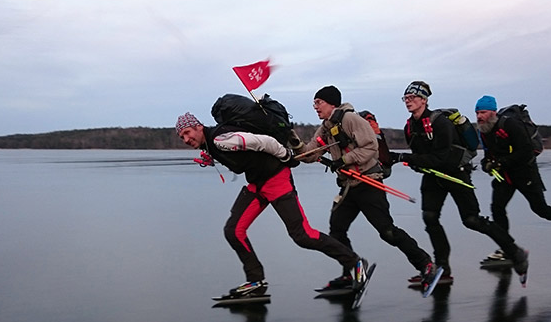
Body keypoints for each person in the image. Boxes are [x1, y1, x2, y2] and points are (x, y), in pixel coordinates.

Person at [175, 111, 369, 297]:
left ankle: (355, 264)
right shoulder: (212, 144)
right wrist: (213, 158)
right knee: (234, 231)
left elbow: (263, 142)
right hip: (257, 184)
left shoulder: (220, 139)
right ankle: (256, 282)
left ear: (199, 126)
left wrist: (286, 155)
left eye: (187, 133)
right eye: (181, 137)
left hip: (276, 179)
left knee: (302, 235)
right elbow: (241, 158)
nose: (185, 139)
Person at [390, 81, 530, 284]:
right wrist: (412, 162)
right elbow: (421, 156)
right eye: (406, 98)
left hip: (456, 175)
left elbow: (441, 158)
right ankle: (443, 269)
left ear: (424, 100)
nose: (408, 102)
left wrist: (404, 158)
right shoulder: (410, 126)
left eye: (413, 98)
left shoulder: (440, 123)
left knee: (471, 220)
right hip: (433, 176)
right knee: (430, 218)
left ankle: (515, 252)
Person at [300, 85, 436, 290]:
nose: (315, 107)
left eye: (318, 102)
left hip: (368, 184)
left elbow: (371, 146)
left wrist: (344, 159)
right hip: (348, 186)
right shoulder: (326, 127)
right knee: (337, 230)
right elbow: (310, 153)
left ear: (332, 103)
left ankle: (425, 264)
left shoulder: (350, 119)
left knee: (387, 231)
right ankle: (351, 272)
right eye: (314, 103)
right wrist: (290, 144)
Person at [474, 95, 551, 261]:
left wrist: (501, 162)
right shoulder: (484, 130)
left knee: (541, 209)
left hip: (525, 172)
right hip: (505, 176)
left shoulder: (510, 124)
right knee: (497, 208)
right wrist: (486, 163)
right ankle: (507, 248)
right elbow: (488, 154)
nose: (479, 116)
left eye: (483, 112)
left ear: (493, 112)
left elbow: (525, 151)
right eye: (477, 113)